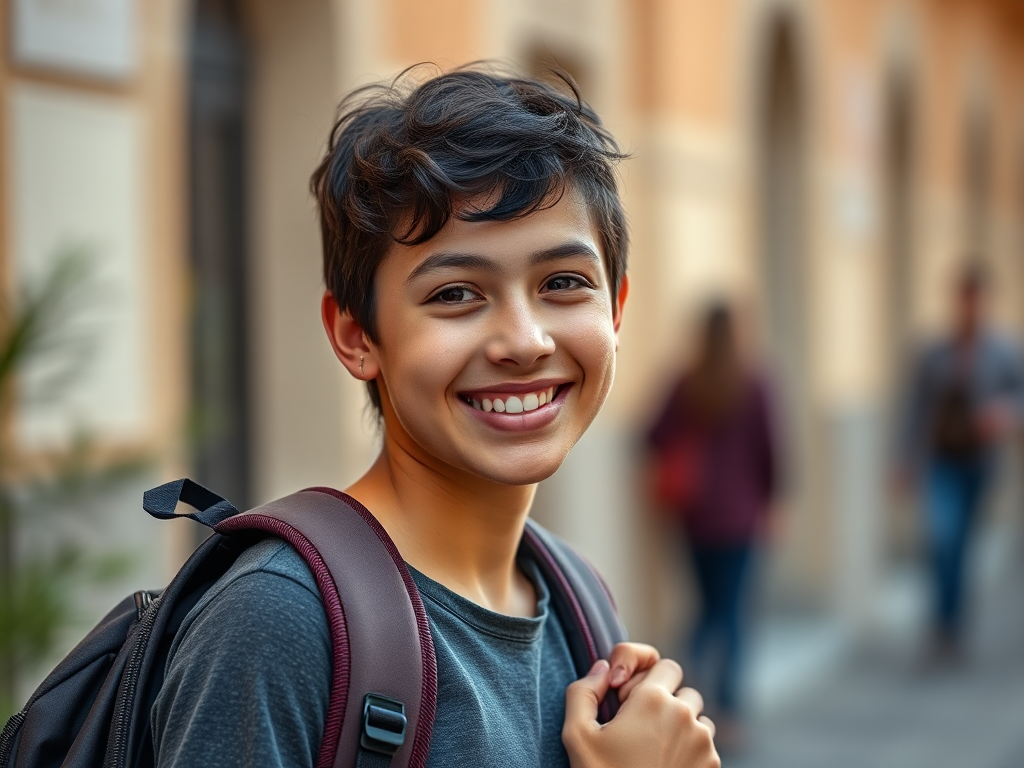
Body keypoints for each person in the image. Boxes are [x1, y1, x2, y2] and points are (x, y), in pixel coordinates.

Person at [150, 66, 720, 768]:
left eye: (563, 284)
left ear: (617, 309)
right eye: (455, 294)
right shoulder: (279, 621)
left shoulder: (579, 600)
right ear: (356, 336)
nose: (524, 341)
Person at [645, 302, 779, 746]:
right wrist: (775, 502)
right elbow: (770, 451)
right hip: (741, 518)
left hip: (695, 516)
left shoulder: (686, 380)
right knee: (734, 615)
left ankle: (685, 697)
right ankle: (732, 713)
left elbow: (652, 435)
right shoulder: (754, 380)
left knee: (705, 611)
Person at [894, 261, 1024, 661]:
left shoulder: (1004, 351)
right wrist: (904, 459)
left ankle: (952, 626)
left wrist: (1004, 413)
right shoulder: (934, 351)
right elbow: (915, 408)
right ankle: (941, 621)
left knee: (963, 547)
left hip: (979, 464)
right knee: (942, 538)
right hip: (941, 461)